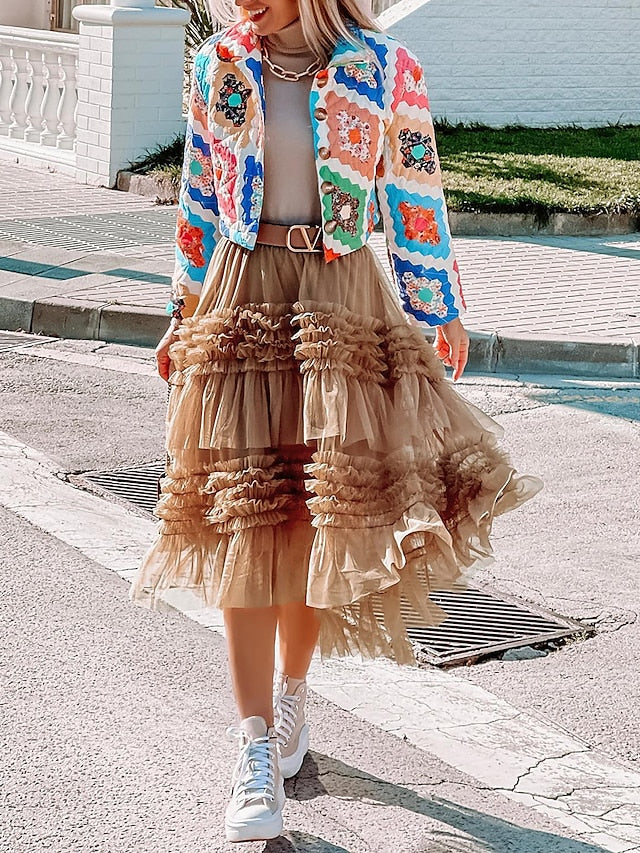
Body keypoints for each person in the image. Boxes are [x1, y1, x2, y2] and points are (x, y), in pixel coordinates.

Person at [129, 0, 542, 841]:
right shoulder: (220, 64)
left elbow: (416, 193)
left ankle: (291, 697)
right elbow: (199, 200)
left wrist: (439, 308)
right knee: (248, 512)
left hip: (341, 301)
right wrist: (179, 309)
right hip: (241, 297)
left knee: (321, 513)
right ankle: (251, 745)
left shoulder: (386, 70)